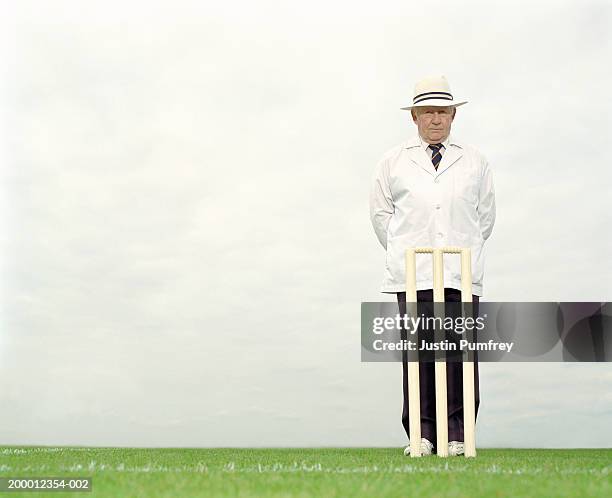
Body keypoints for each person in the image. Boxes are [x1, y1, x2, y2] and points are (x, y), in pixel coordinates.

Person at [369, 75, 496, 456]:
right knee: (420, 353)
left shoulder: (475, 160)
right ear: (415, 117)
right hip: (413, 272)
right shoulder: (392, 161)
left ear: (453, 114)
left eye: (442, 111)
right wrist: (406, 251)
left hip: (461, 271)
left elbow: (485, 217)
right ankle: (422, 435)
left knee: (459, 353)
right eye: (428, 112)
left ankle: (457, 435)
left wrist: (462, 248)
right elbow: (381, 217)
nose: (435, 119)